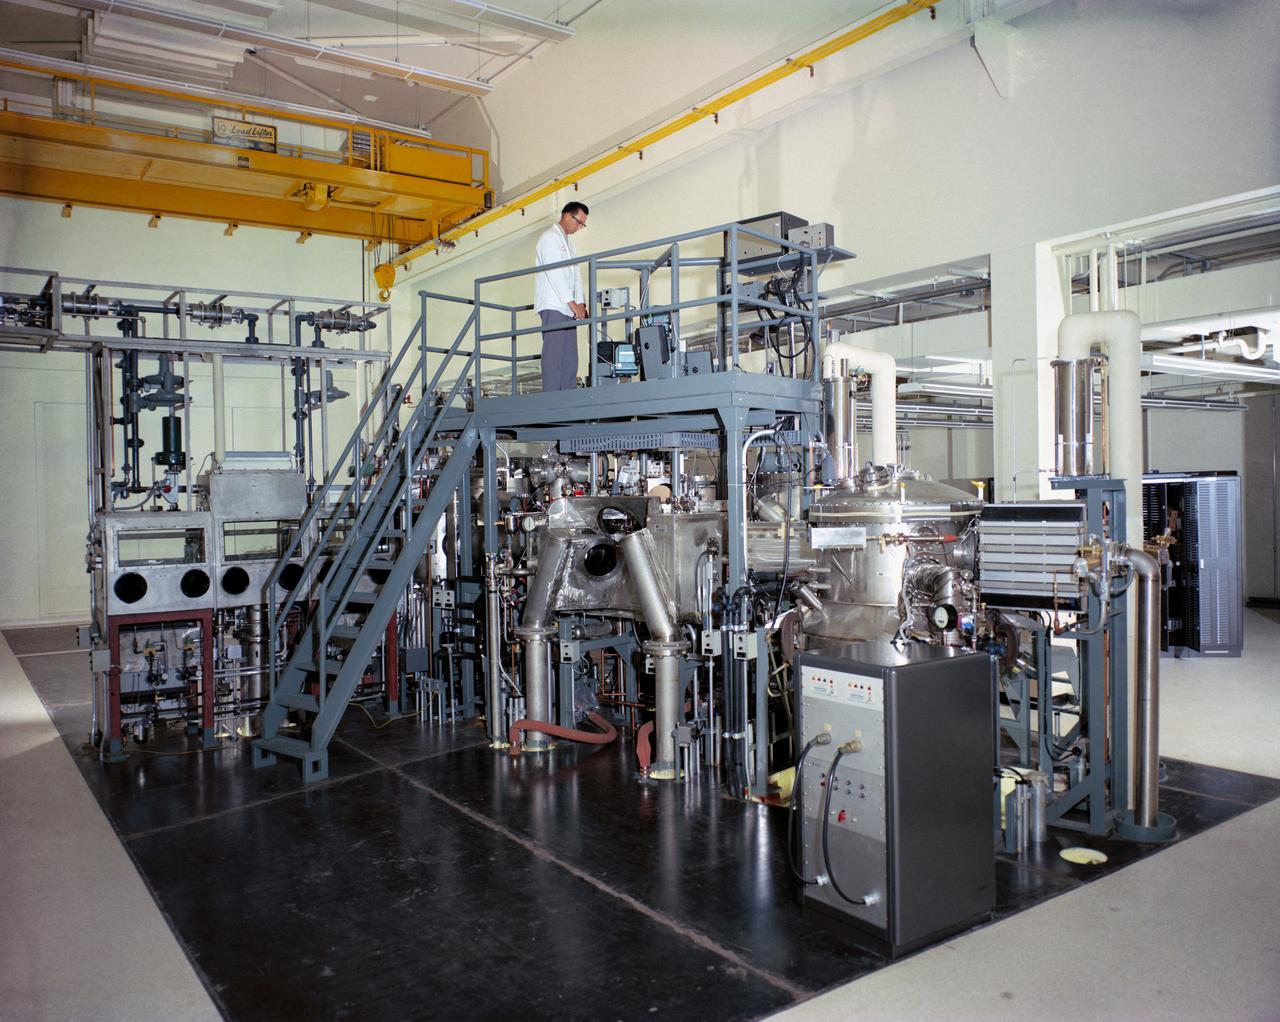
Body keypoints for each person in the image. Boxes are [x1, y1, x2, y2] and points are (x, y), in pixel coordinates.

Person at [534, 201, 589, 391]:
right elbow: (554, 274)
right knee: (554, 353)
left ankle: (567, 395)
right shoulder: (549, 238)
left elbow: (576, 275)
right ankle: (552, 396)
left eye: (582, 224)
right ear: (567, 216)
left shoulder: (568, 244)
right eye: (579, 222)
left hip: (568, 308)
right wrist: (573, 303)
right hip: (554, 305)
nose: (580, 227)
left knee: (569, 356)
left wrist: (581, 303)